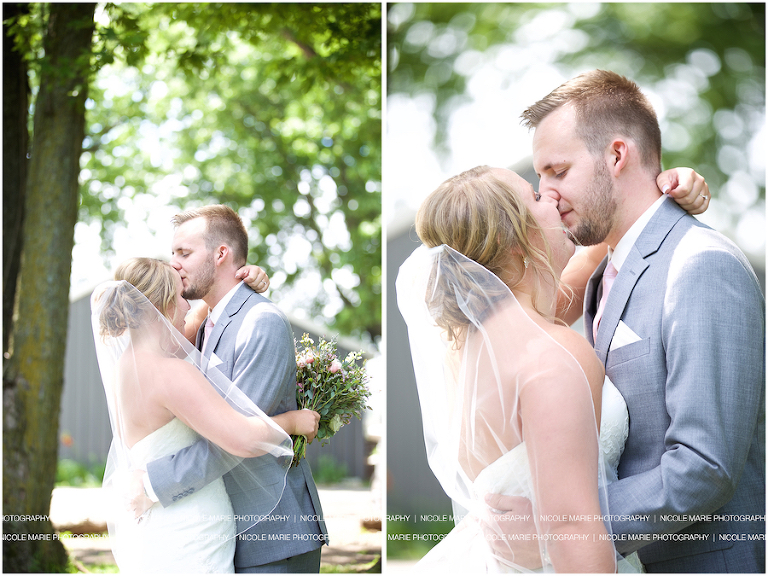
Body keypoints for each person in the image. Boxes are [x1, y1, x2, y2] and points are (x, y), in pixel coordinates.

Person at [492, 70, 765, 573]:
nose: (545, 194)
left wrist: (565, 526)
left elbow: (705, 467)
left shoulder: (701, 264)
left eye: (557, 170)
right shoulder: (603, 271)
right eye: (540, 177)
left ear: (617, 156)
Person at [91, 257, 320, 573]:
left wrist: (239, 284)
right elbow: (241, 439)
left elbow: (191, 324)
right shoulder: (170, 373)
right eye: (181, 297)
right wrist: (292, 421)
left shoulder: (127, 368)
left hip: (159, 525)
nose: (188, 307)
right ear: (161, 306)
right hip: (190, 529)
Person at [136, 205, 328, 573]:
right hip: (219, 531)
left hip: (271, 532)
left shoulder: (260, 322)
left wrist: (152, 484)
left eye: (184, 253)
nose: (174, 264)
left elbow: (235, 440)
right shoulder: (198, 325)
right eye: (173, 253)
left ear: (221, 254)